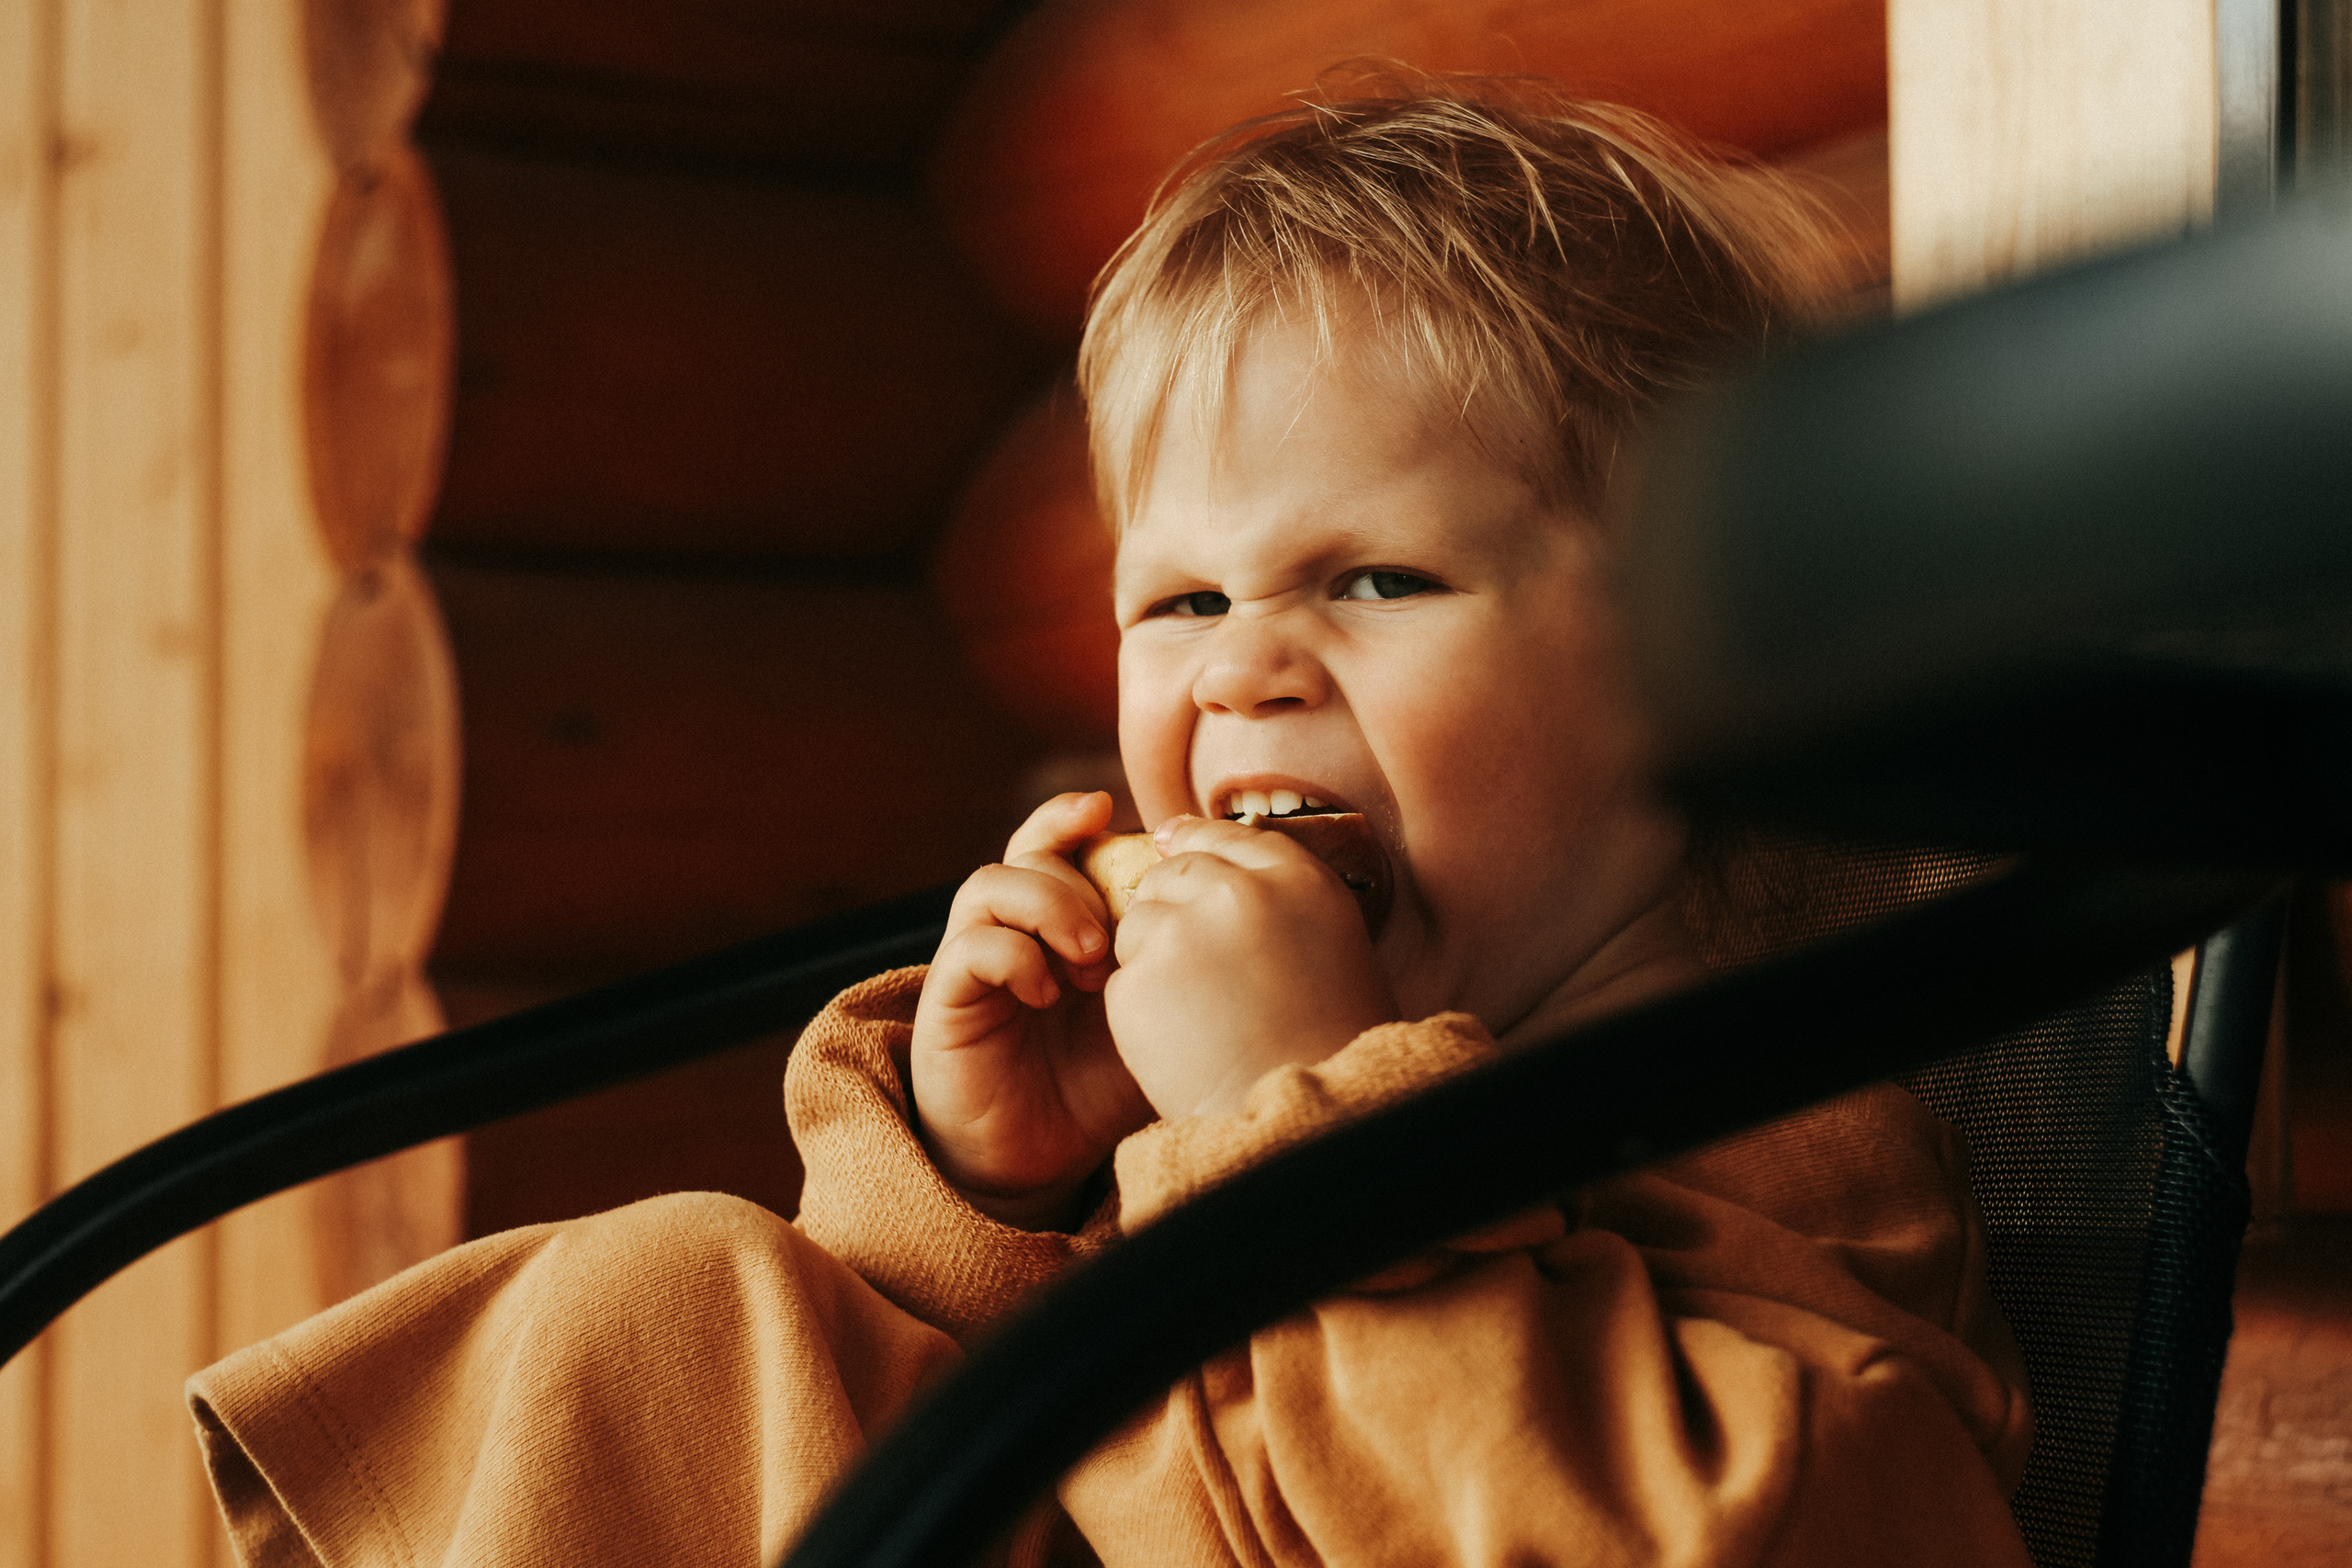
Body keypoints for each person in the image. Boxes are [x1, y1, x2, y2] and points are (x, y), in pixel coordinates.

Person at [187, 74, 2035, 1568]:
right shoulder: (1171, 1116)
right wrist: (999, 1197)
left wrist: (1304, 1137)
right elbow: (952, 1478)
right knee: (676, 1295)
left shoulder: (1782, 1152)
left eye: (1375, 578)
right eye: (1180, 601)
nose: (1240, 670)